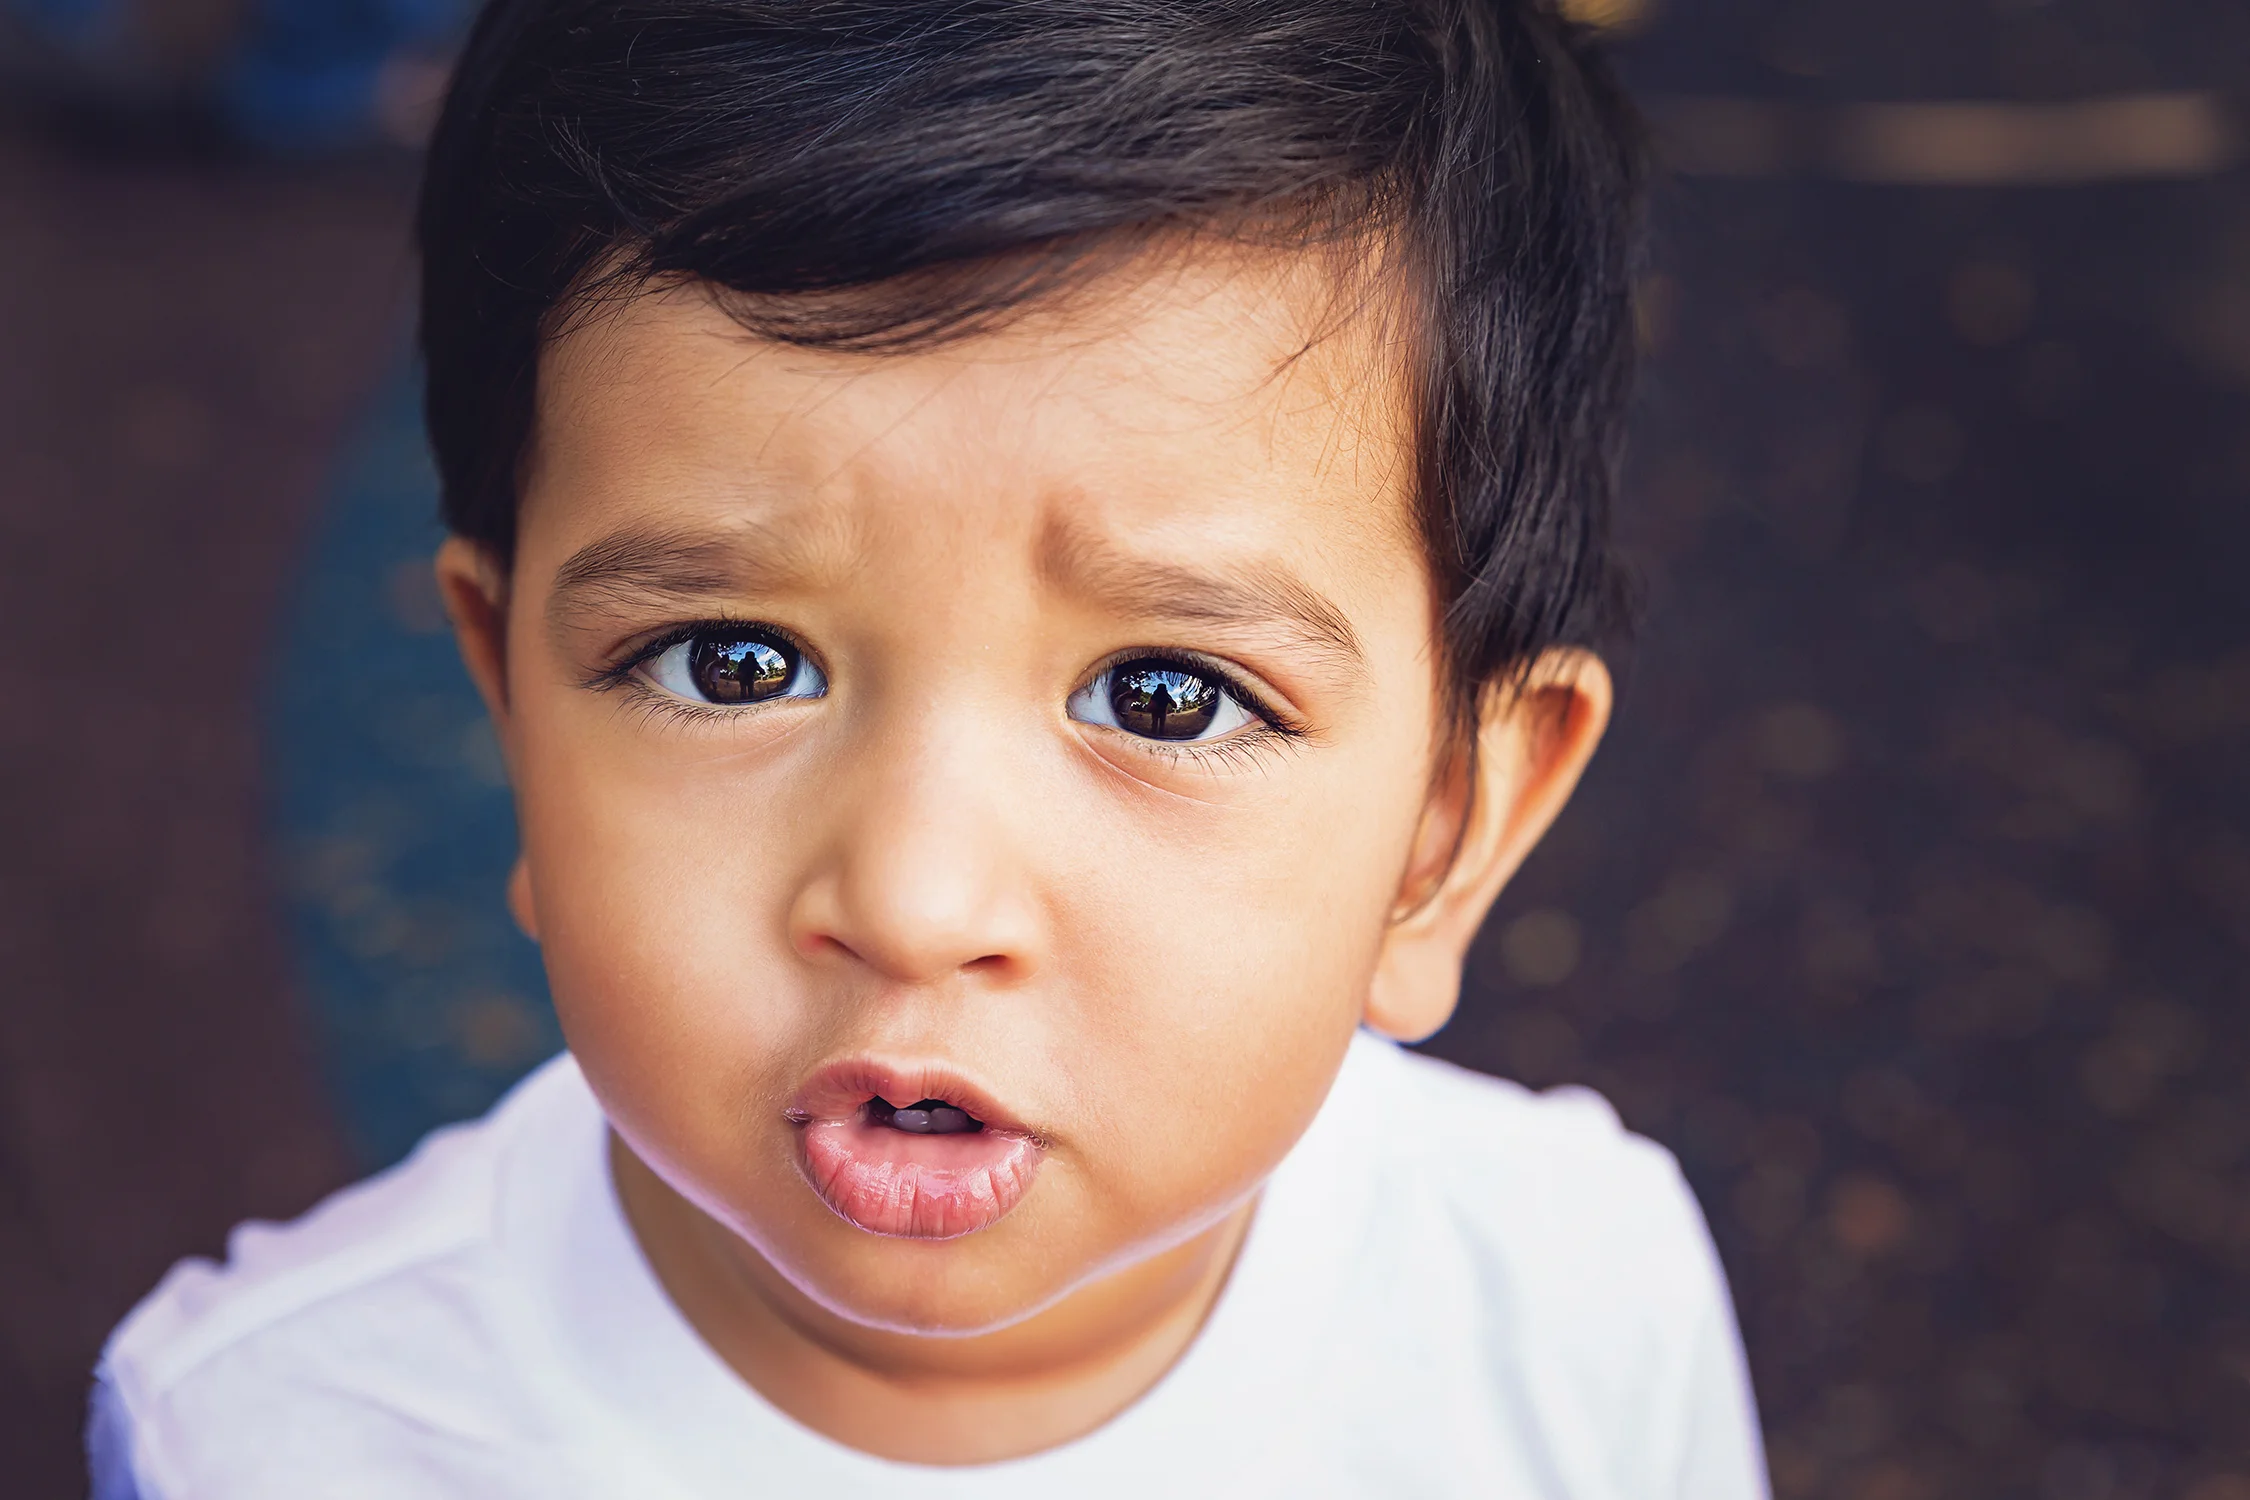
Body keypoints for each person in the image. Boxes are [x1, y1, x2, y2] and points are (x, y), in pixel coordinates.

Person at [90, 1, 1770, 1493]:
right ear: (511, 706)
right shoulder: (265, 1436)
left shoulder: (1575, 1310)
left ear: (1448, 828)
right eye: (735, 663)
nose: (910, 896)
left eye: (1163, 697)